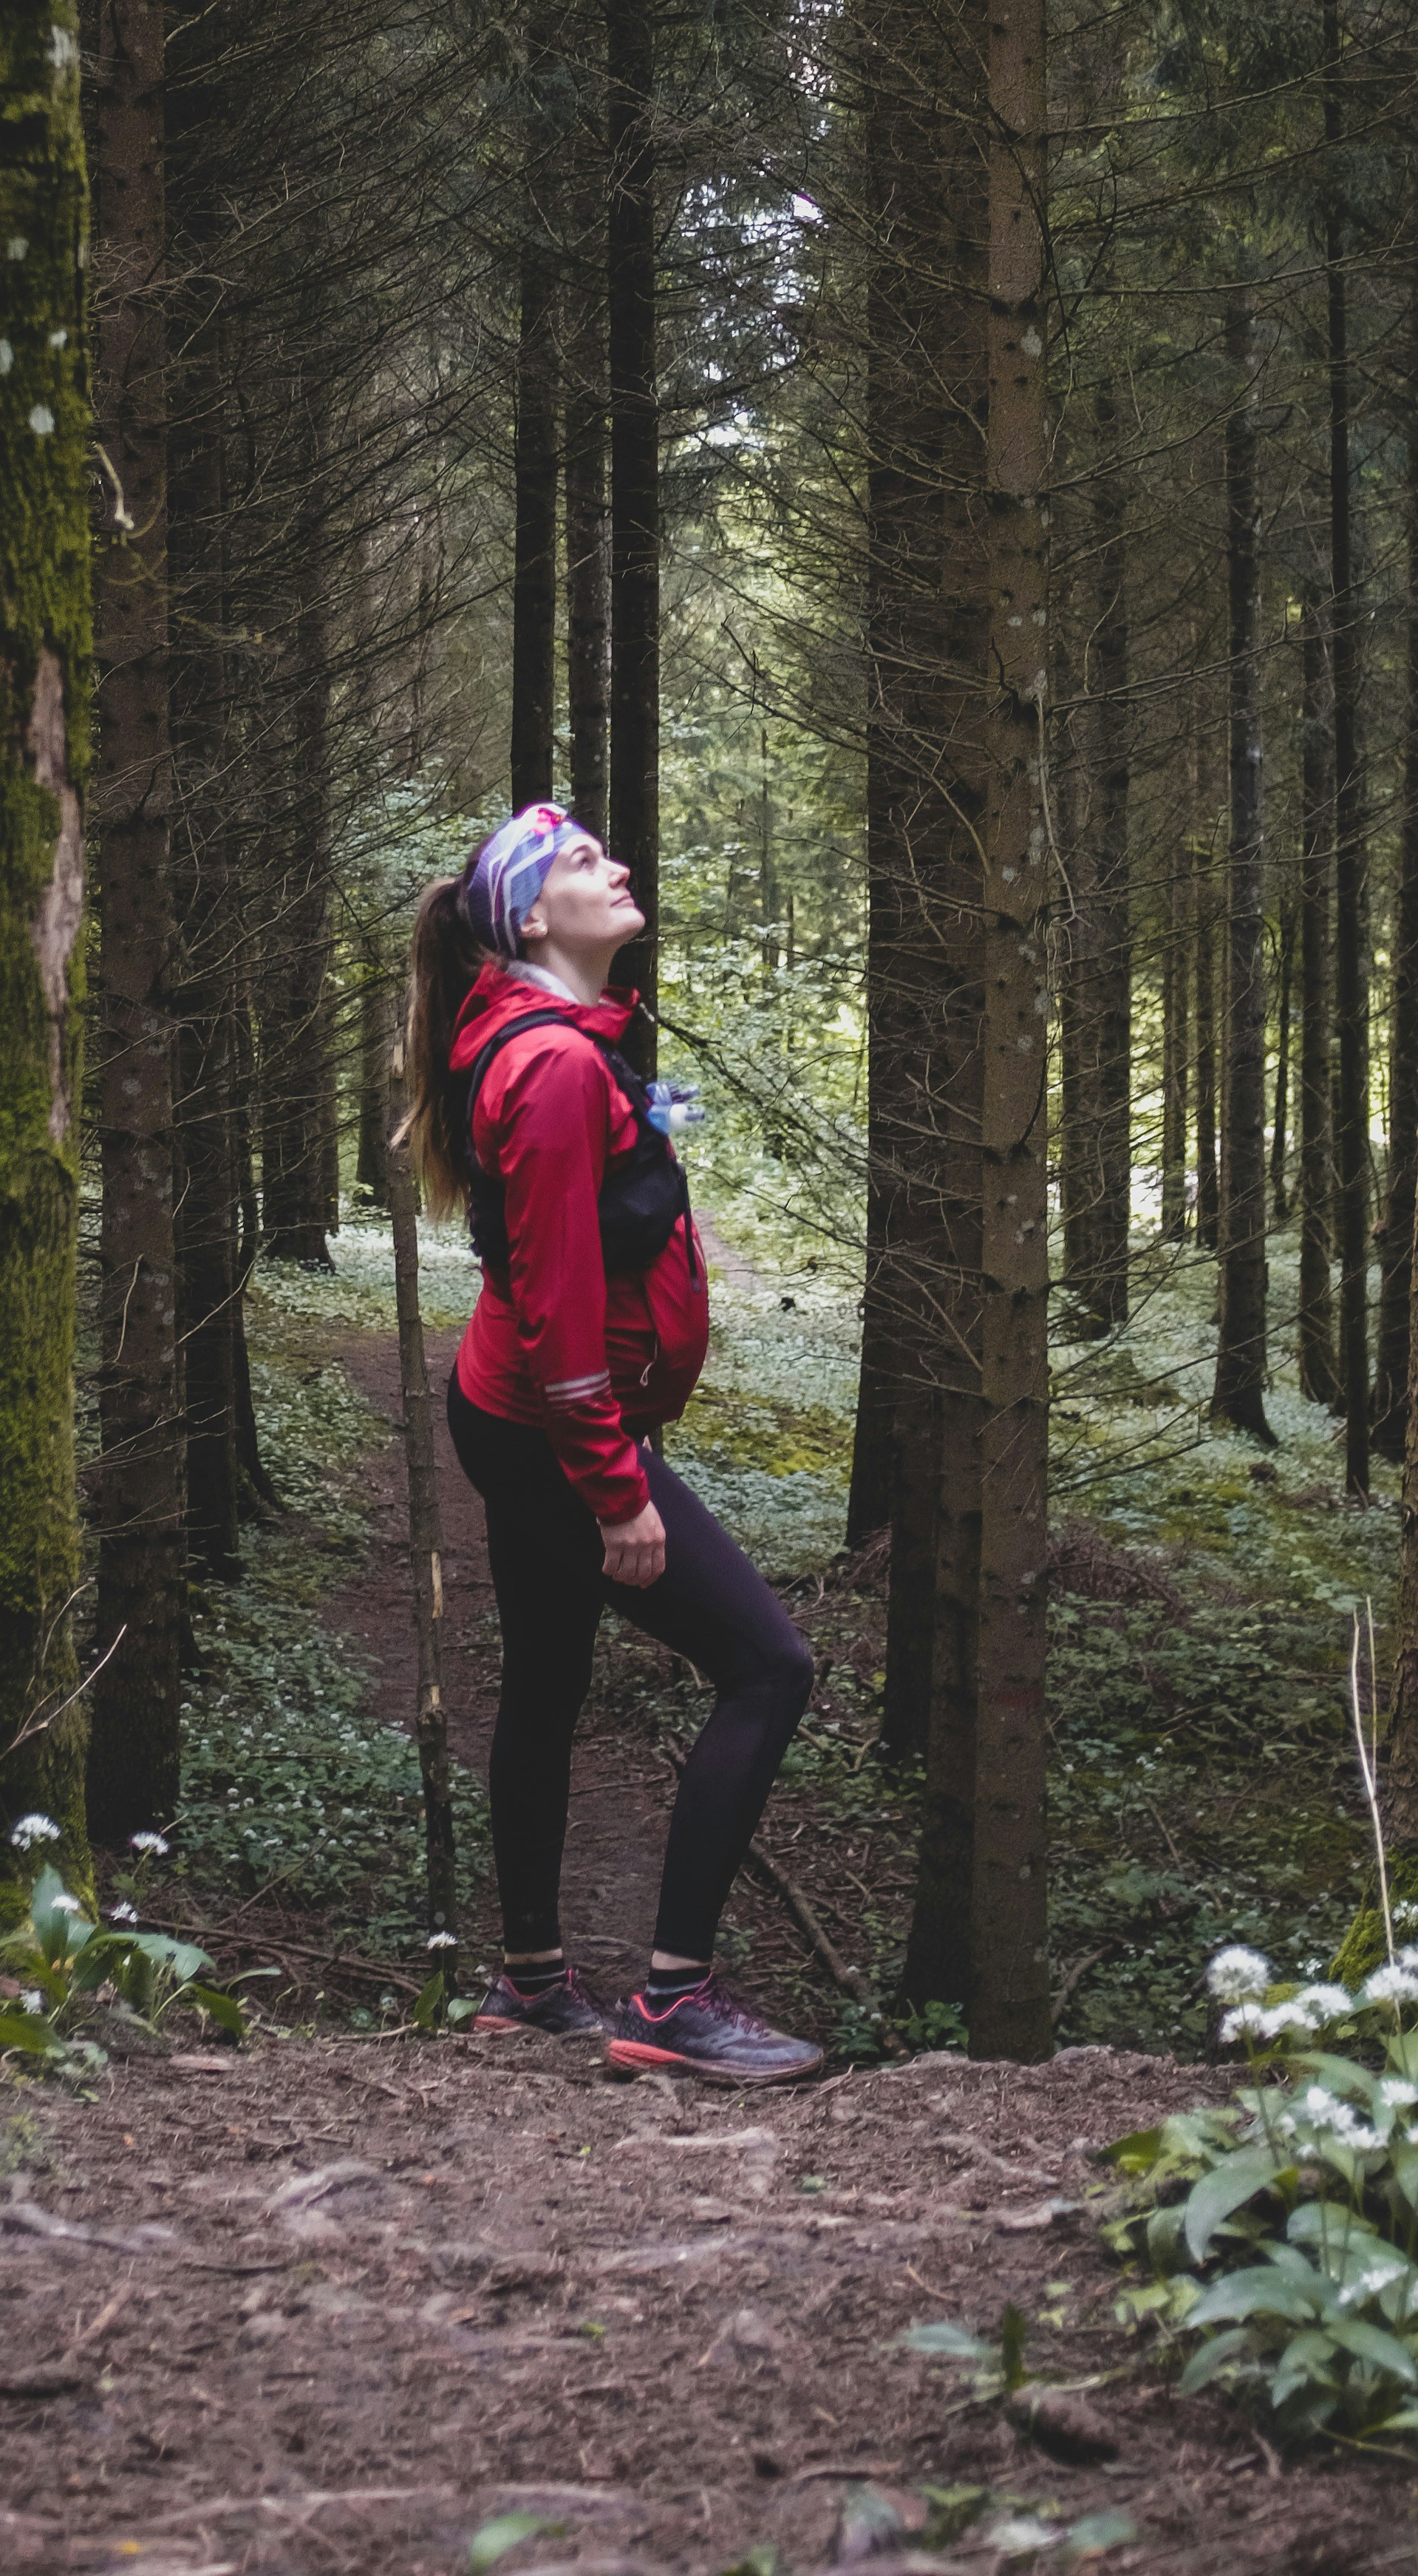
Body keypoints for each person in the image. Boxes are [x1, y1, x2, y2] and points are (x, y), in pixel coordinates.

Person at [399, 798, 821, 2081]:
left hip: (515, 1412)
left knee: (543, 1676)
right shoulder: (555, 1066)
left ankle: (531, 1984)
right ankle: (671, 2005)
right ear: (529, 914)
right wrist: (614, 1487)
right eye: (584, 862)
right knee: (767, 1669)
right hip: (547, 1425)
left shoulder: (550, 1038)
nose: (617, 866)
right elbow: (557, 1298)